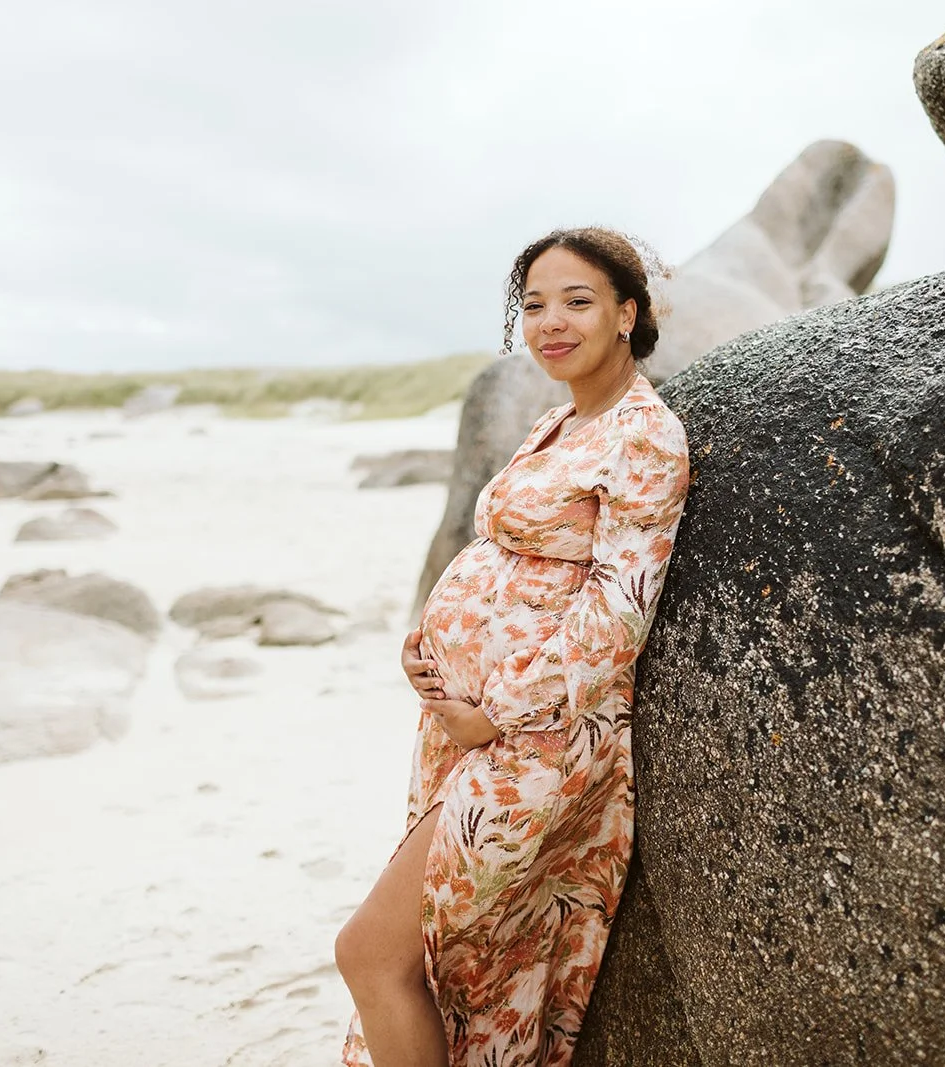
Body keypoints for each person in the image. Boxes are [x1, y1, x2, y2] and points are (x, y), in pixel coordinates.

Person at [335, 227, 691, 1067]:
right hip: (469, 730)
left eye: (577, 301)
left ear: (625, 314)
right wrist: (428, 651)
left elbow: (617, 614)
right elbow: (501, 560)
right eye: (534, 305)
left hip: (540, 742)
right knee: (456, 964)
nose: (550, 322)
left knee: (372, 952)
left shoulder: (643, 434)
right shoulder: (557, 424)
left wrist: (489, 717)